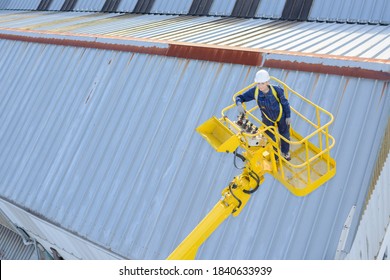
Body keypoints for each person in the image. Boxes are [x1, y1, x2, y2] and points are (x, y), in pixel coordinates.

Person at [235, 69, 291, 161]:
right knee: (269, 137)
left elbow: (285, 103)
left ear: (267, 82)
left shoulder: (277, 90)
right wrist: (239, 104)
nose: (260, 86)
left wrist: (288, 116)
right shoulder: (255, 92)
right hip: (267, 118)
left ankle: (285, 153)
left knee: (284, 135)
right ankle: (275, 155)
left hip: (281, 116)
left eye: (262, 83)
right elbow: (240, 97)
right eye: (258, 83)